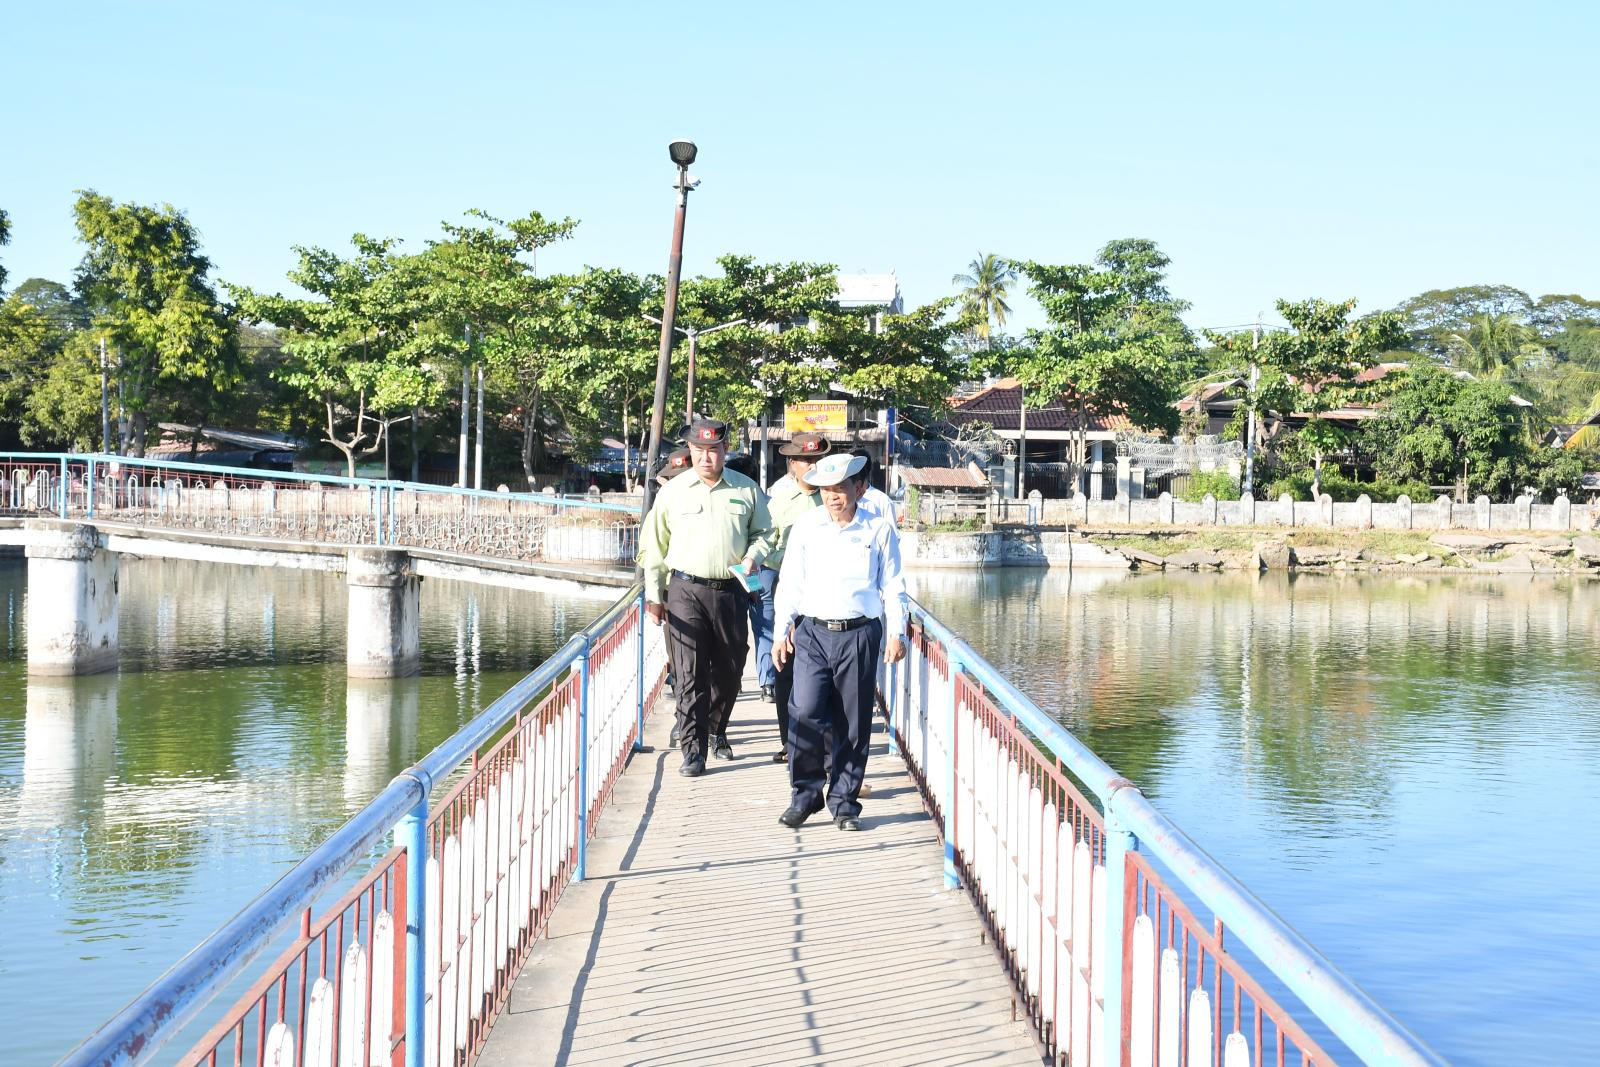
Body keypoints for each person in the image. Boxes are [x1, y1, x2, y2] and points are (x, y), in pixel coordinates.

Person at [772, 452, 907, 831]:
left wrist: (896, 631)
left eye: (840, 488)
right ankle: (805, 795)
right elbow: (791, 581)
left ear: (859, 489)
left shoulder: (878, 529)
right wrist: (781, 631)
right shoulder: (807, 527)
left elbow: (893, 584)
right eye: (826, 490)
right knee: (804, 711)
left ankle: (845, 803)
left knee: (853, 721)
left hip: (860, 634)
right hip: (813, 633)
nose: (832, 496)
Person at [639, 418, 773, 776]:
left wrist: (753, 556)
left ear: (724, 450)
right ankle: (692, 750)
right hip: (685, 591)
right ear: (691, 450)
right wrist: (654, 597)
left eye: (713, 450)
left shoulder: (746, 489)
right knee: (689, 672)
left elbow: (766, 533)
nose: (706, 457)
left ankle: (715, 728)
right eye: (699, 450)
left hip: (731, 590)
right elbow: (655, 548)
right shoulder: (673, 492)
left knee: (730, 670)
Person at [761, 432, 831, 762]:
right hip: (787, 585)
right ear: (792, 464)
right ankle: (790, 742)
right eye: (805, 460)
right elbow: (765, 542)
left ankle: (825, 745)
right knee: (785, 665)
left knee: (824, 668)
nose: (812, 466)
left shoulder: (833, 497)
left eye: (816, 459)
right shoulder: (780, 501)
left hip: (825, 589)